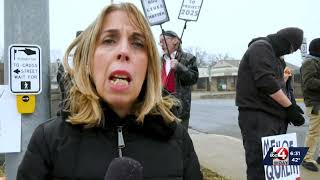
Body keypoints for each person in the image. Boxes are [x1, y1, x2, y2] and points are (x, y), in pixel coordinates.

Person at [17, 3, 203, 180]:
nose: (123, 51)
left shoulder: (179, 141)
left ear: (149, 68)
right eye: (108, 40)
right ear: (88, 62)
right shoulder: (47, 141)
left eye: (137, 43)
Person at [236, 27, 305, 180]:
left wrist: (291, 104)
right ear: (284, 41)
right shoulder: (261, 47)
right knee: (260, 168)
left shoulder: (278, 58)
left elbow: (280, 85)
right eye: (291, 48)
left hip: (275, 119)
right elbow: (266, 82)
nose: (289, 52)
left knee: (278, 171)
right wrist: (289, 107)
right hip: (258, 117)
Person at [159, 30, 199, 129]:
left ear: (175, 41)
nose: (161, 44)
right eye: (159, 42)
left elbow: (193, 79)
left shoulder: (188, 58)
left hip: (180, 109)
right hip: (162, 107)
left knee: (180, 139)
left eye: (163, 41)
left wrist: (179, 67)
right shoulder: (159, 61)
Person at [300, 38, 320, 172]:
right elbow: (309, 83)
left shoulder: (316, 62)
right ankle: (306, 159)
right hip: (315, 104)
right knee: (314, 132)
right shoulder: (309, 62)